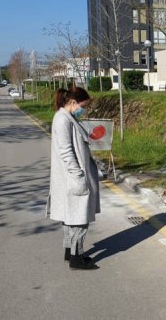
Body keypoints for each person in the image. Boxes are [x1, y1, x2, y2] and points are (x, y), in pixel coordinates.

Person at [46, 87, 100, 270]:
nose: (83, 109)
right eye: (83, 105)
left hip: (70, 177)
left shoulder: (66, 118)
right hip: (72, 178)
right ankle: (77, 258)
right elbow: (66, 151)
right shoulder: (62, 120)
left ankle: (70, 252)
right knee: (78, 218)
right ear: (73, 102)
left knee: (71, 217)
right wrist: (77, 174)